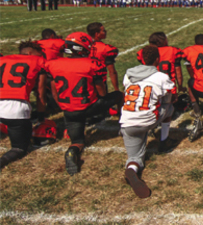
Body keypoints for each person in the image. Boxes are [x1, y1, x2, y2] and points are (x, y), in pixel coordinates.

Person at [45, 32, 123, 175]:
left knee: (78, 142)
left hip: (68, 110)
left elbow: (55, 91)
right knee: (119, 95)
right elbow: (102, 93)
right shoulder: (92, 64)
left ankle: (72, 151)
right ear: (83, 48)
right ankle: (123, 124)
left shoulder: (53, 64)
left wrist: (62, 105)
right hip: (89, 107)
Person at [120, 45, 175, 198]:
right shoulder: (161, 77)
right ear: (158, 59)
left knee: (135, 157)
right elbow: (168, 98)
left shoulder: (128, 74)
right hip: (147, 120)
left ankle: (132, 169)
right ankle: (164, 140)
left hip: (127, 122)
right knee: (169, 107)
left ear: (142, 58)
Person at [136, 32, 186, 153]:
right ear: (163, 41)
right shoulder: (173, 51)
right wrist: (179, 86)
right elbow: (178, 71)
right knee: (167, 112)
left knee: (151, 107)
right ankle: (164, 138)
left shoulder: (144, 52)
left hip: (150, 86)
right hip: (167, 87)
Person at [0, 41, 46, 169]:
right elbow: (41, 93)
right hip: (15, 110)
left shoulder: (3, 59)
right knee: (19, 148)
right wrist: (41, 118)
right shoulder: (37, 61)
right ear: (31, 53)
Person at [87, 22, 120, 92]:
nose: (105, 32)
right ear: (97, 34)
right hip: (100, 83)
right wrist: (117, 89)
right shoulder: (106, 49)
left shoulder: (84, 46)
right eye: (103, 30)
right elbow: (112, 72)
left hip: (85, 81)